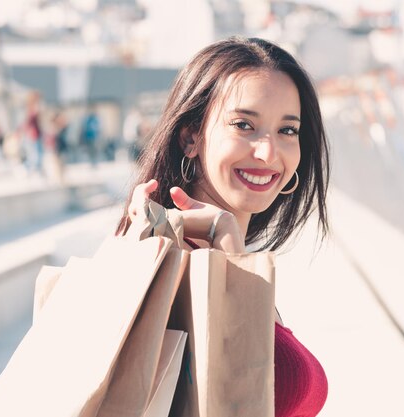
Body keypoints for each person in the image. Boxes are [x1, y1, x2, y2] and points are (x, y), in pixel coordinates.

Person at [117, 37, 330, 417]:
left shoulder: (230, 253)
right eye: (244, 125)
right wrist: (227, 243)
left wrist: (231, 246)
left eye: (287, 130)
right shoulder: (168, 265)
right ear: (190, 138)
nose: (268, 153)